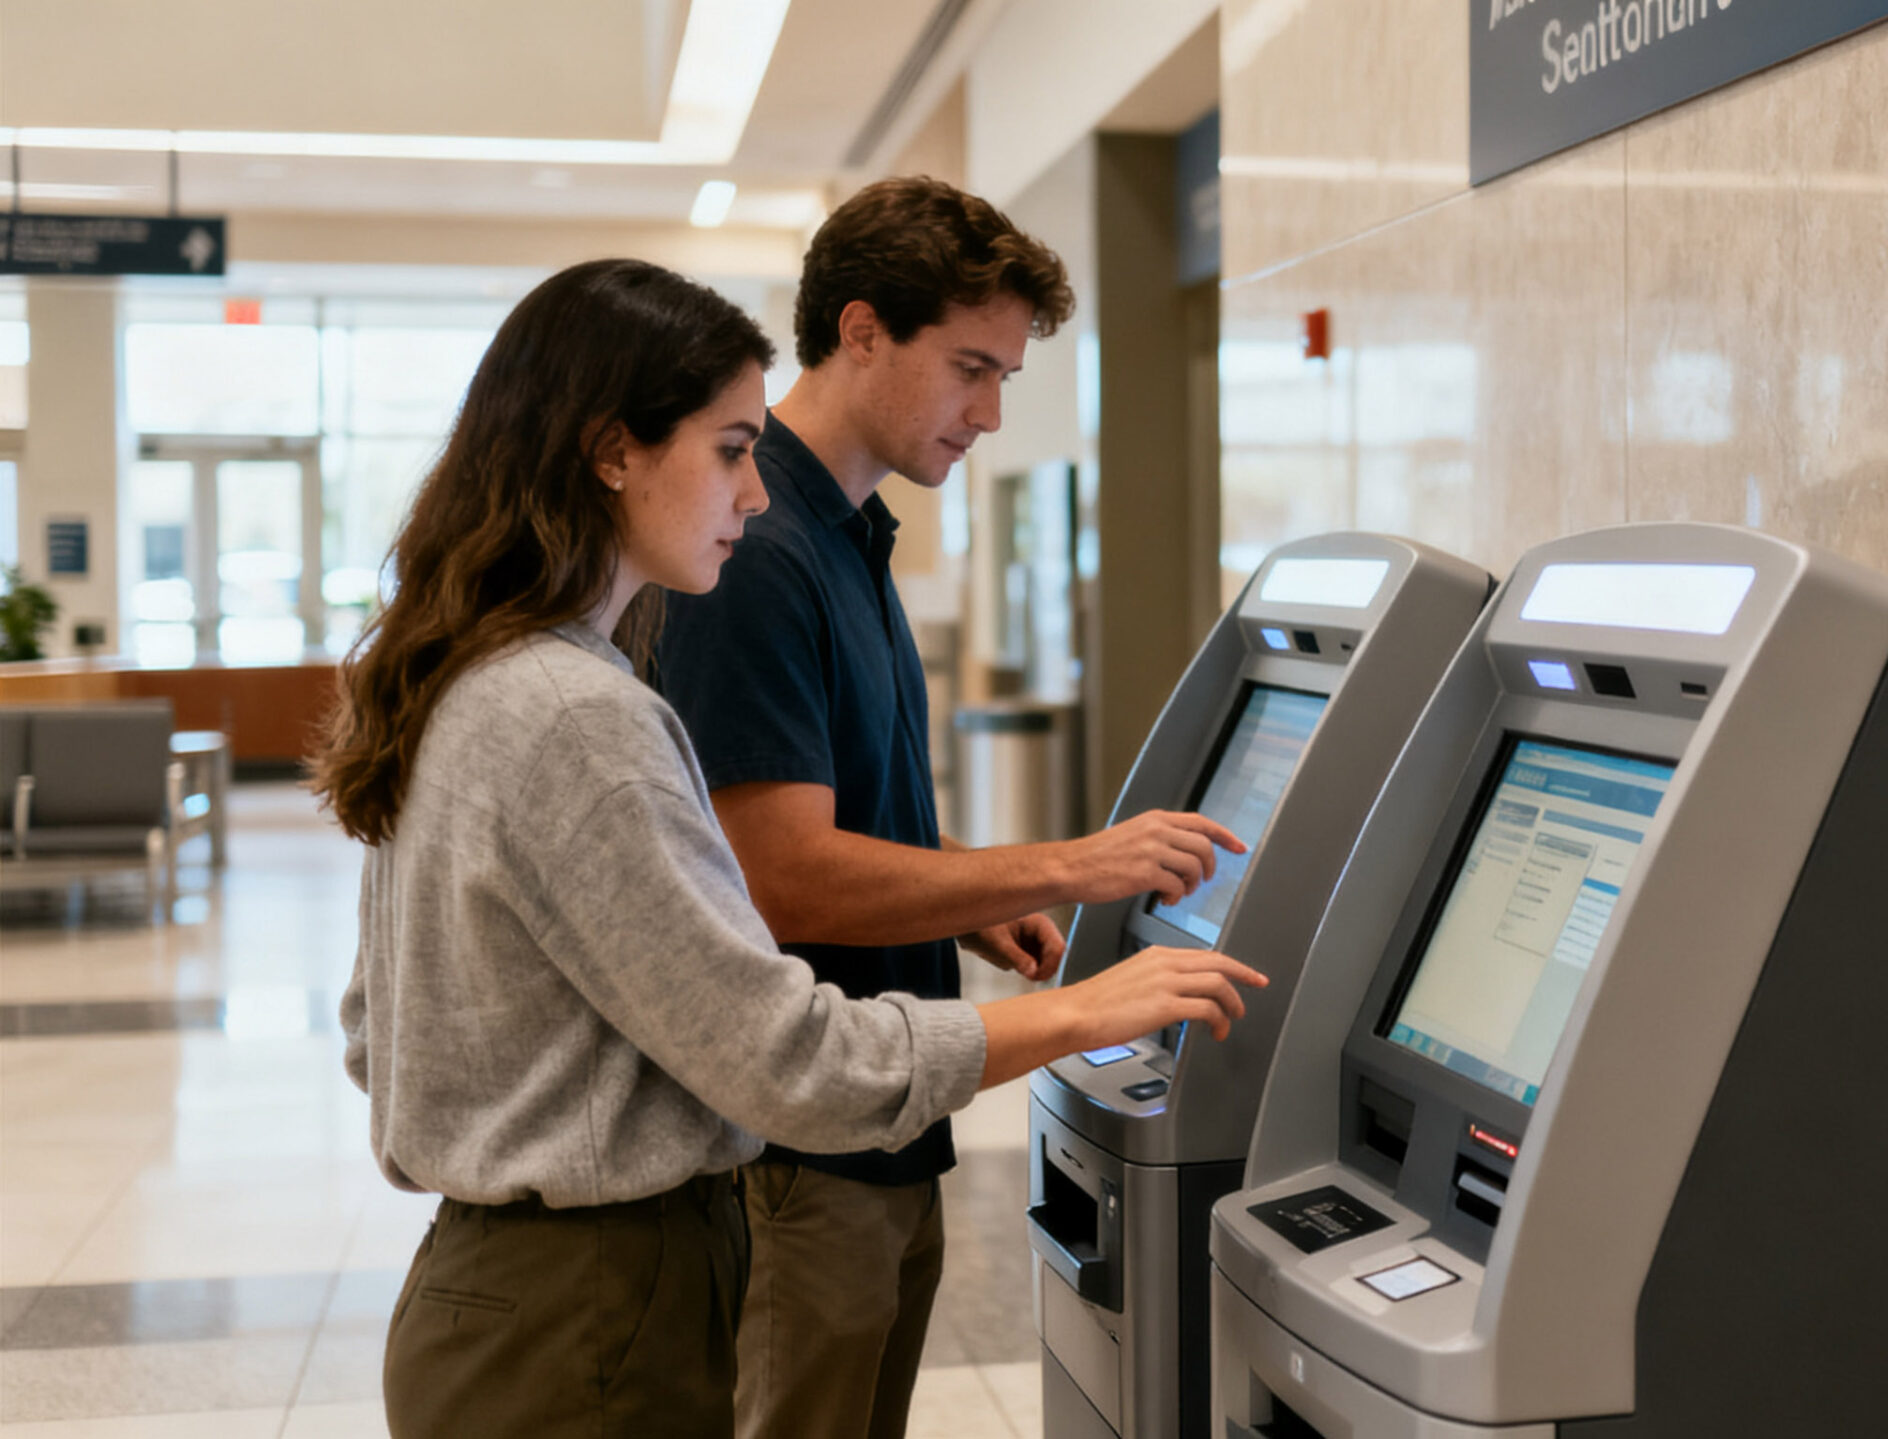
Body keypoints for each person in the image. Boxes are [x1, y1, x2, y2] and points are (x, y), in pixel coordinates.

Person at [310, 257, 1263, 1439]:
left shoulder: (483, 672)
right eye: (726, 448)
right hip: (587, 1307)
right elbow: (781, 1055)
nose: (754, 495)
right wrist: (1085, 1011)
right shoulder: (575, 714)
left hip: (498, 1288)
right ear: (613, 450)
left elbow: (377, 1028)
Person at [651, 178, 1243, 1439]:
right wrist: (1065, 863)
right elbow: (781, 877)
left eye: (1004, 380)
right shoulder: (758, 551)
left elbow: (848, 818)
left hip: (882, 1127)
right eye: (968, 368)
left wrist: (978, 898)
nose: (986, 413)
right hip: (796, 1160)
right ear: (860, 330)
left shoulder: (850, 532)